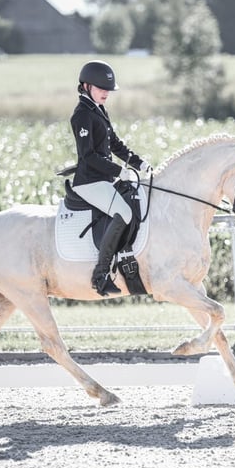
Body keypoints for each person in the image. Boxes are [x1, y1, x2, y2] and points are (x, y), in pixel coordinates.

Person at [69, 60, 151, 296]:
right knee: (124, 213)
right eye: (100, 88)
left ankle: (125, 258)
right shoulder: (82, 115)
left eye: (108, 89)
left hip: (104, 179)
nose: (106, 93)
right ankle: (101, 274)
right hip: (89, 182)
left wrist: (139, 163)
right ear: (86, 86)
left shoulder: (98, 110)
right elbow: (88, 156)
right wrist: (118, 171)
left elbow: (115, 144)